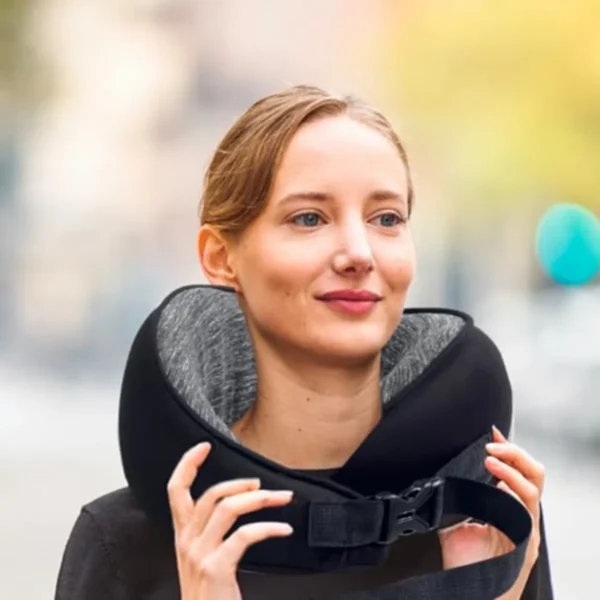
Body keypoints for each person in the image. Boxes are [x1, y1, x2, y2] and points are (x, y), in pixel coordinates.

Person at [55, 85, 552, 599]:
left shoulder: (484, 527)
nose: (358, 254)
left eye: (386, 219)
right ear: (221, 257)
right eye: (309, 218)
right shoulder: (125, 544)